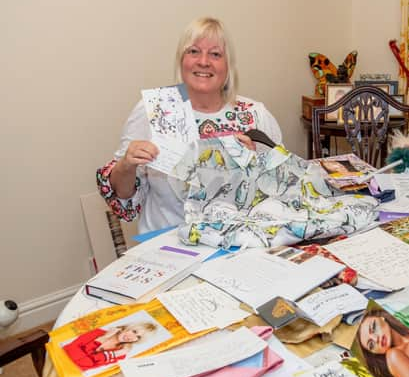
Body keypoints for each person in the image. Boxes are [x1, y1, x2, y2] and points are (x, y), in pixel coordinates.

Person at [97, 17, 283, 233]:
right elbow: (123, 201)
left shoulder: (254, 114)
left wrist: (255, 165)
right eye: (193, 51)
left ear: (228, 65)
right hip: (168, 246)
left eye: (215, 54)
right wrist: (126, 165)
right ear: (181, 60)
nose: (203, 61)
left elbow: (286, 191)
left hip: (239, 245)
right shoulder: (156, 110)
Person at [63, 322, 157, 371]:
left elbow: (88, 364)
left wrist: (116, 353)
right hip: (60, 356)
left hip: (71, 372)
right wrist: (104, 337)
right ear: (128, 327)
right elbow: (72, 350)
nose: (132, 337)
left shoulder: (120, 354)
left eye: (138, 337)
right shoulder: (98, 332)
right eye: (134, 331)